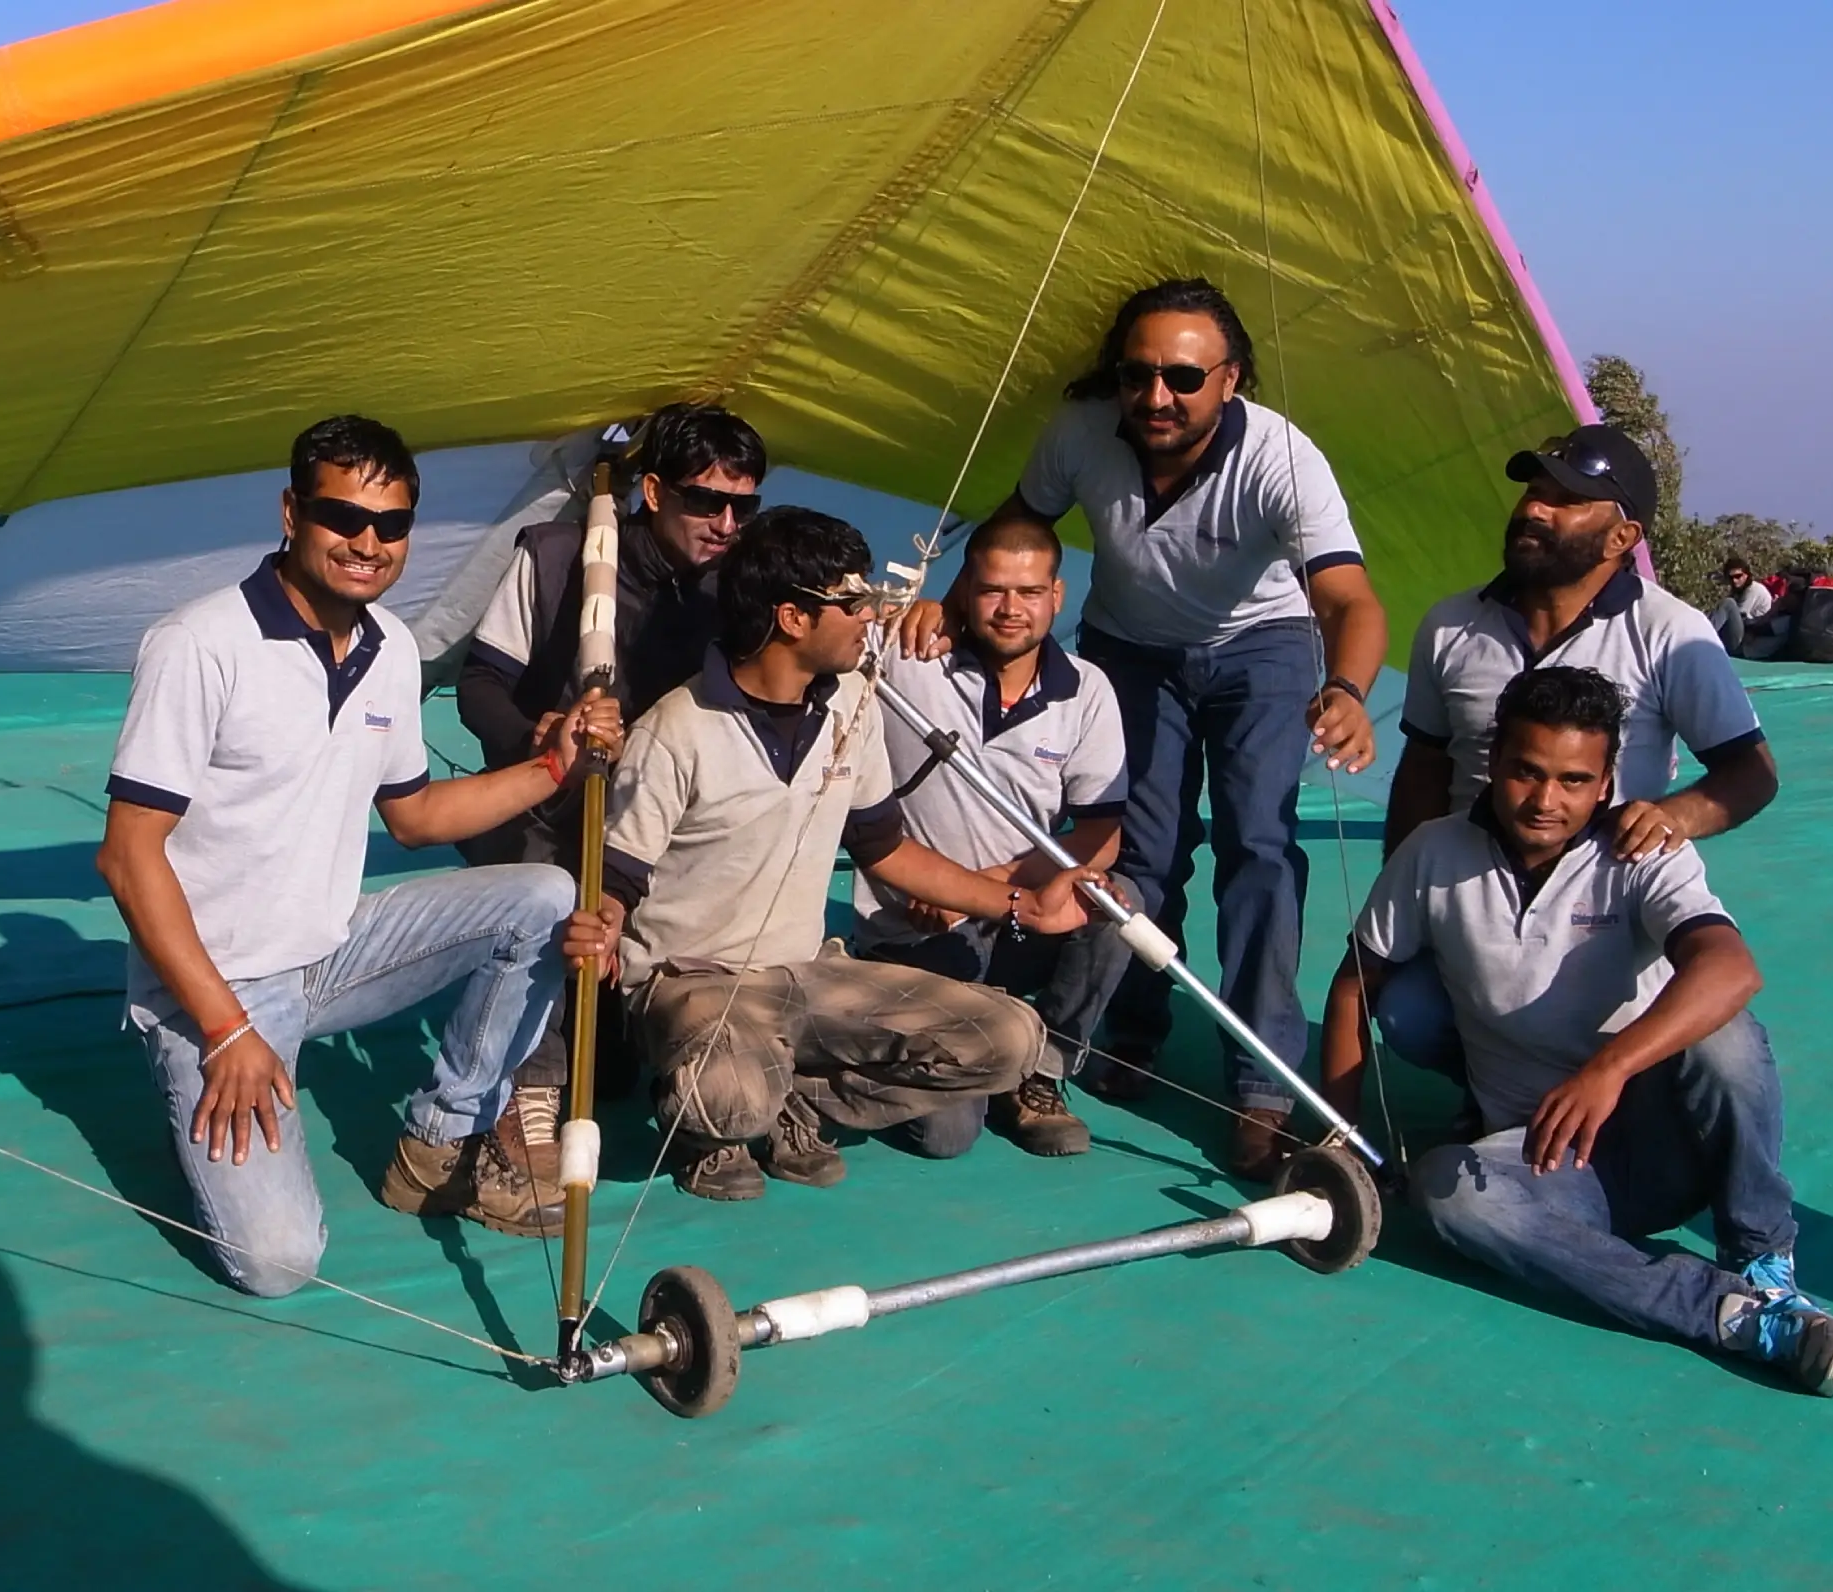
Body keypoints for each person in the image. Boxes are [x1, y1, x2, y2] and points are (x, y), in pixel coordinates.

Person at [98, 415, 619, 1297]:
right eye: (342, 516)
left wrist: (554, 765)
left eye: (391, 524)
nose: (367, 542)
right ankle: (191, 1069)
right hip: (217, 991)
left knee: (543, 894)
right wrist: (227, 1029)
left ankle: (442, 1138)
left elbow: (414, 816)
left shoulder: (391, 653)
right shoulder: (200, 643)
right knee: (276, 1264)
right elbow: (126, 856)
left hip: (332, 953)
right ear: (292, 512)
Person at [905, 277, 1387, 1179]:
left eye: (1182, 377)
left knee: (1259, 849)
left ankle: (1263, 1086)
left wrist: (1349, 688)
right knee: (1142, 850)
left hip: (1259, 646)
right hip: (1132, 647)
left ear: (1230, 380)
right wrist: (953, 594)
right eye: (1137, 375)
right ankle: (1133, 1029)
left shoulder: (1283, 460)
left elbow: (1347, 598)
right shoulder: (1082, 432)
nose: (1156, 396)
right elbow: (1021, 522)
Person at [1320, 667, 1833, 1396]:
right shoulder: (1432, 852)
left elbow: (1731, 970)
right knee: (1448, 1192)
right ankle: (1730, 1314)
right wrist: (1341, 1134)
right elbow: (1356, 982)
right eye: (1525, 773)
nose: (1545, 801)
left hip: (1667, 1148)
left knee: (1722, 1036)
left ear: (1606, 780)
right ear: (1493, 764)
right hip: (1546, 1158)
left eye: (1574, 780)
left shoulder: (1642, 849)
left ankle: (1761, 1255)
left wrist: (1606, 1071)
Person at [565, 506, 1094, 1202]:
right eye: (852, 603)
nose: (871, 615)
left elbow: (884, 849)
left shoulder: (852, 702)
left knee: (1007, 1038)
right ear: (791, 618)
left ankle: (792, 1097)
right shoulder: (676, 730)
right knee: (731, 1099)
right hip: (692, 980)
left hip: (805, 973)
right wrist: (597, 921)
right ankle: (718, 1125)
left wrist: (1023, 905)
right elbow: (618, 879)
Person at [1382, 426, 1777, 1101]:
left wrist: (1671, 816)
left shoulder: (1669, 632)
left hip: (1606, 921)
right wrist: (1404, 896)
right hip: (1475, 909)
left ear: (1622, 538)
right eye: (1534, 492)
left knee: (1723, 1052)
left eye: (1564, 500)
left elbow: (1751, 773)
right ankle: (1498, 1100)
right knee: (1406, 1012)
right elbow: (1420, 768)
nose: (1534, 509)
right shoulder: (1449, 626)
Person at [456, 402, 766, 1165]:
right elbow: (480, 682)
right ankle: (526, 1093)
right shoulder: (561, 555)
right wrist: (535, 744)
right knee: (553, 899)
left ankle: (659, 1044)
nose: (725, 522)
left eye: (742, 506)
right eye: (706, 501)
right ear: (653, 493)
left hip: (656, 809)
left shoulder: (740, 584)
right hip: (546, 800)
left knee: (614, 1068)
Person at [854, 514, 1134, 1158]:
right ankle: (904, 1047)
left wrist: (976, 891)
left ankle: (1041, 1073)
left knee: (1118, 906)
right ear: (964, 590)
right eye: (992, 591)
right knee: (944, 1136)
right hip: (916, 927)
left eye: (1030, 593)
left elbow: (1100, 834)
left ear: (1057, 598)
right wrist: (904, 607)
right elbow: (824, 617)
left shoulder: (1087, 690)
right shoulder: (906, 653)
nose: (1012, 610)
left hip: (1009, 919)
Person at [1706, 553, 1774, 657]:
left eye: (1738, 576)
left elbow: (1741, 617)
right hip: (1742, 637)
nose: (1734, 580)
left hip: (1746, 642)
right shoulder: (1739, 591)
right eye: (1731, 577)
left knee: (1728, 604)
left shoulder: (1753, 590)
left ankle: (1703, 635)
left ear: (1746, 575)